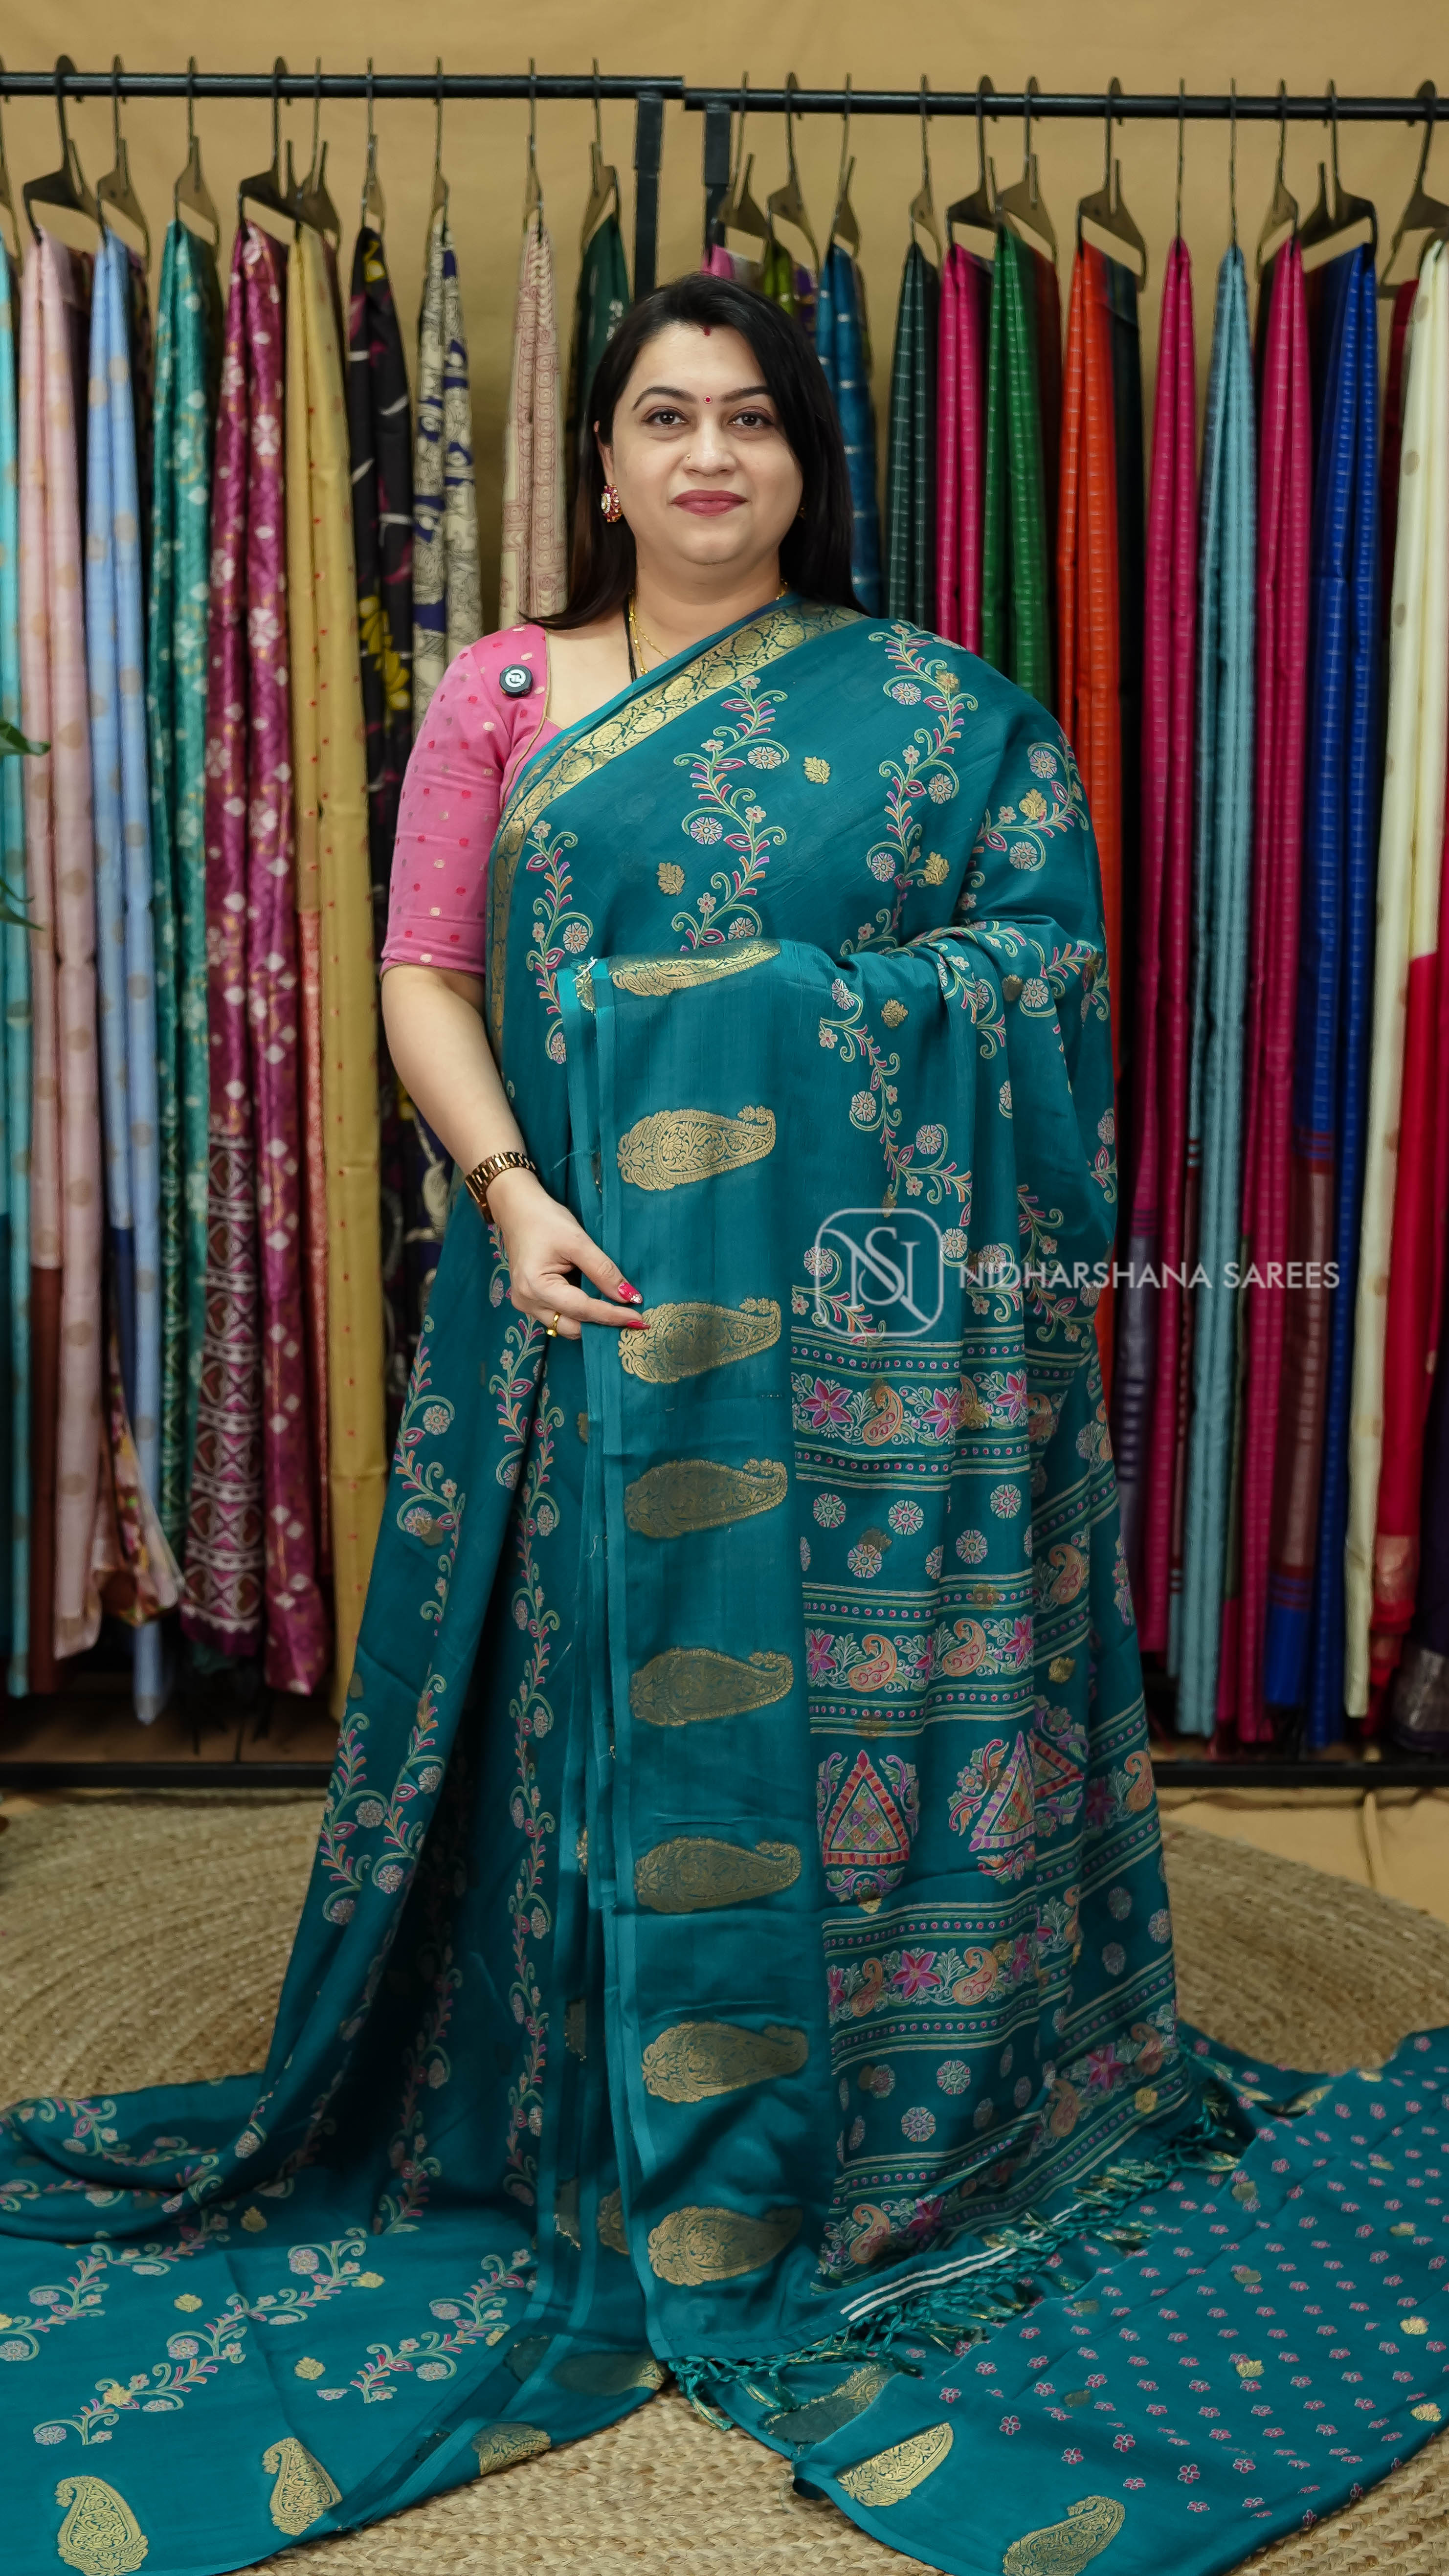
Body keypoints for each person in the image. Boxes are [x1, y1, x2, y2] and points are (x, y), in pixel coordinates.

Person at [3, 273, 1446, 2576]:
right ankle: (578, 2119)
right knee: (582, 1717)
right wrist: (508, 1192)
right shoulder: (500, 693)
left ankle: (847, 2132)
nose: (705, 457)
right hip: (577, 1298)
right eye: (663, 417)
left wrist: (755, 1007)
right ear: (600, 461)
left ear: (804, 463)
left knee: (826, 1726)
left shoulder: (945, 716)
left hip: (874, 1345)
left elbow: (1047, 984)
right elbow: (422, 970)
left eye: (750, 420)